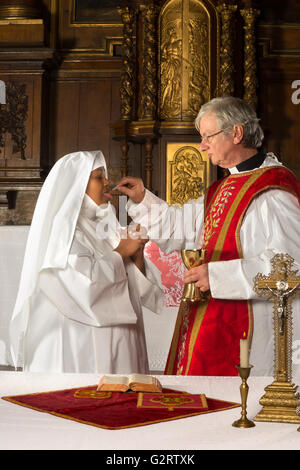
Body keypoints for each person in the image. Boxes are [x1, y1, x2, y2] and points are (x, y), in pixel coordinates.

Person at [116, 96, 300, 379]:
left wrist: (218, 276)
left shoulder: (273, 190)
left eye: (207, 136)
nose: (201, 146)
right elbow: (181, 226)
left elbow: (290, 266)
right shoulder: (224, 187)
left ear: (236, 133)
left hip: (253, 326)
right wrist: (141, 198)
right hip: (216, 316)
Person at [10, 150, 163, 373]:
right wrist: (121, 251)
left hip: (121, 345)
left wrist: (136, 254)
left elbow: (134, 287)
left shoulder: (105, 222)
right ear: (77, 183)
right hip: (78, 345)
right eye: (99, 176)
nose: (108, 182)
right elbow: (80, 284)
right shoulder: (64, 229)